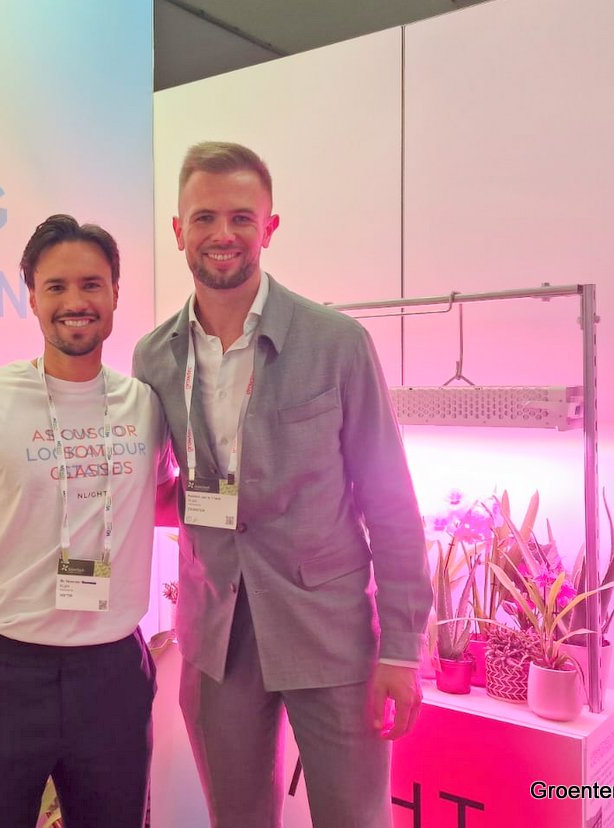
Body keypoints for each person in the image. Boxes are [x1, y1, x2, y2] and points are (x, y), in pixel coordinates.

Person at [132, 142, 432, 828]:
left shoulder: (336, 343)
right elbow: (152, 488)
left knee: (354, 818)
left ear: (268, 227)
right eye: (204, 217)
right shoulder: (154, 357)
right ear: (178, 230)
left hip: (329, 628)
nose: (223, 233)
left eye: (242, 216)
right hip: (217, 635)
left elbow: (390, 501)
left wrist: (401, 647)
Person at [0, 214, 167, 828]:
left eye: (92, 284)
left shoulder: (146, 405)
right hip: (1, 674)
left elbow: (159, 499)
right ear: (32, 297)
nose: (76, 301)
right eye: (56, 287)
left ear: (116, 293)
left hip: (113, 674)